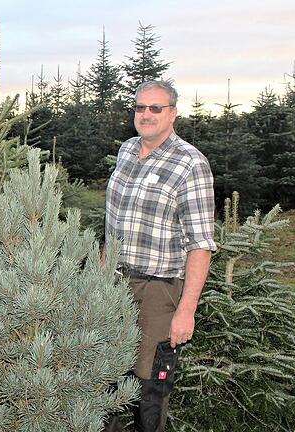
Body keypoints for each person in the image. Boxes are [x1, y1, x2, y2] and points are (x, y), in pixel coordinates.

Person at [104, 81, 216, 432]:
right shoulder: (126, 151)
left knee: (148, 385)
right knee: (105, 375)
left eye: (156, 108)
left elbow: (200, 244)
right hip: (114, 284)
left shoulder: (190, 164)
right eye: (140, 107)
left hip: (157, 290)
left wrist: (186, 310)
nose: (146, 114)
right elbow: (112, 223)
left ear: (173, 113)